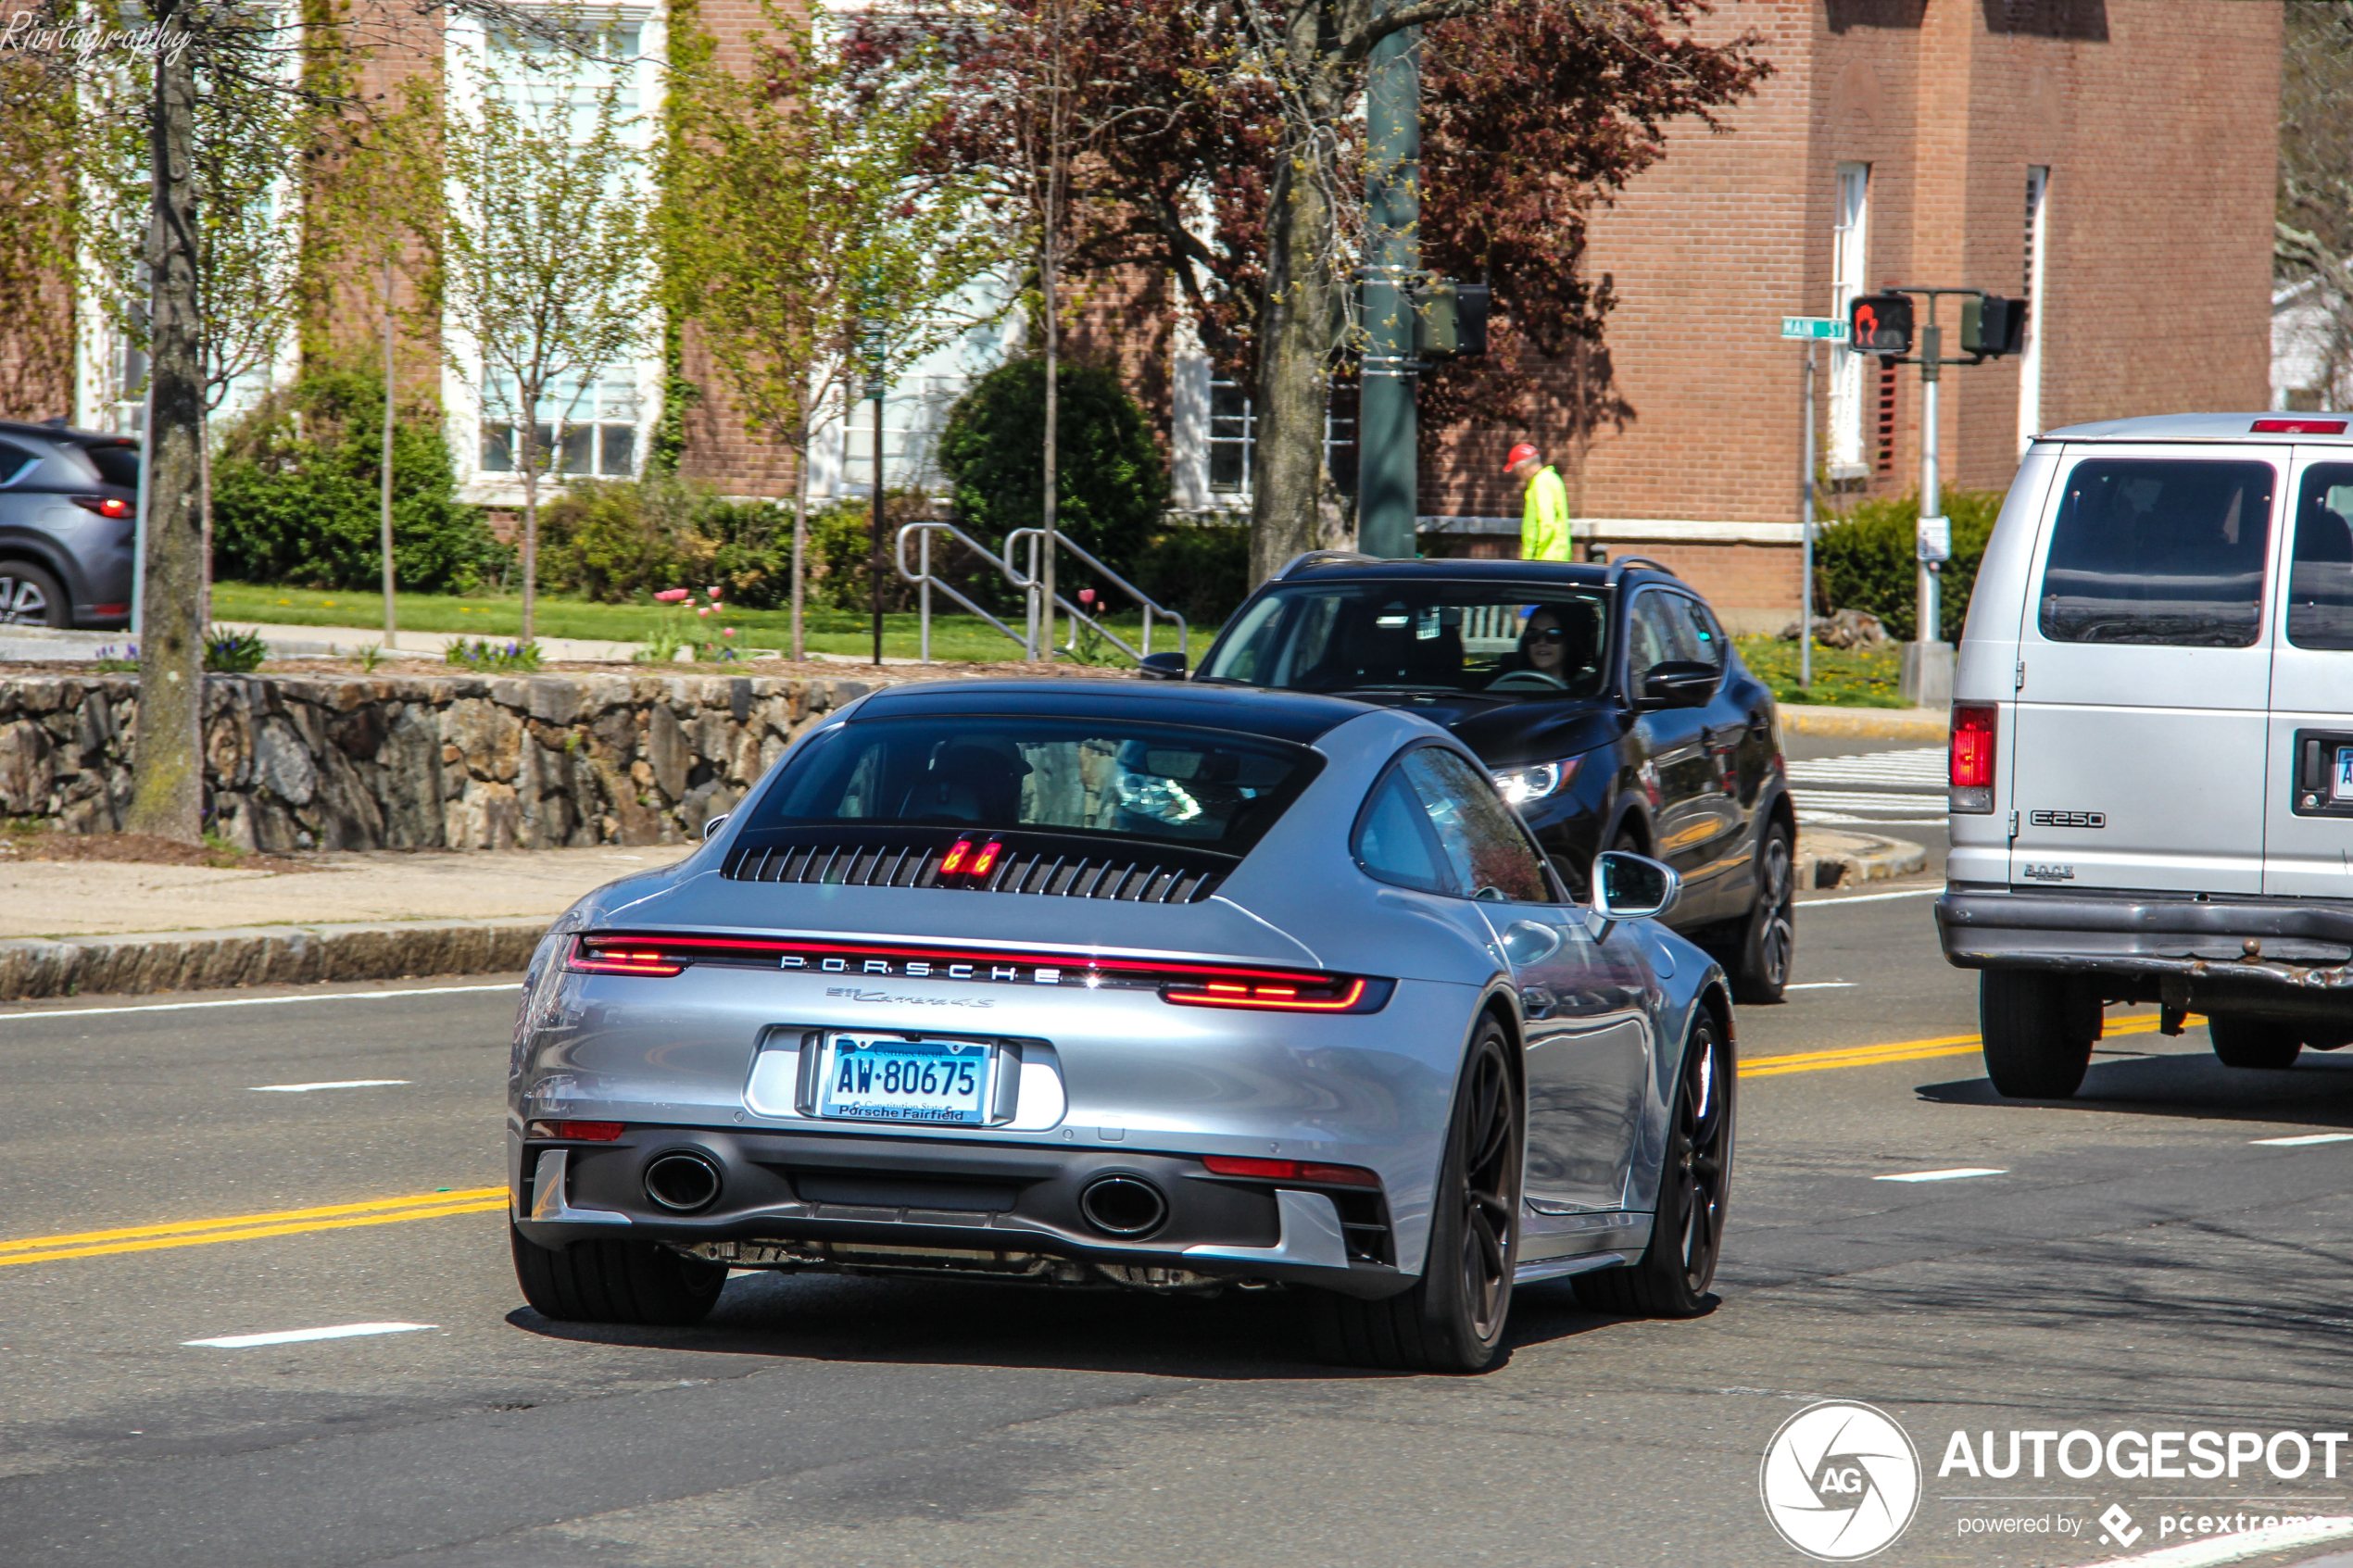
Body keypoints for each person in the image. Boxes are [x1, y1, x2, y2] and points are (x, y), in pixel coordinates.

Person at [1505, 442, 1573, 562]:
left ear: (1522, 467)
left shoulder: (1540, 483)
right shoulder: (1552, 478)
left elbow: (1546, 522)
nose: (1518, 476)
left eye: (1516, 472)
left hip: (1545, 558)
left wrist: (1532, 556)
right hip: (1558, 555)